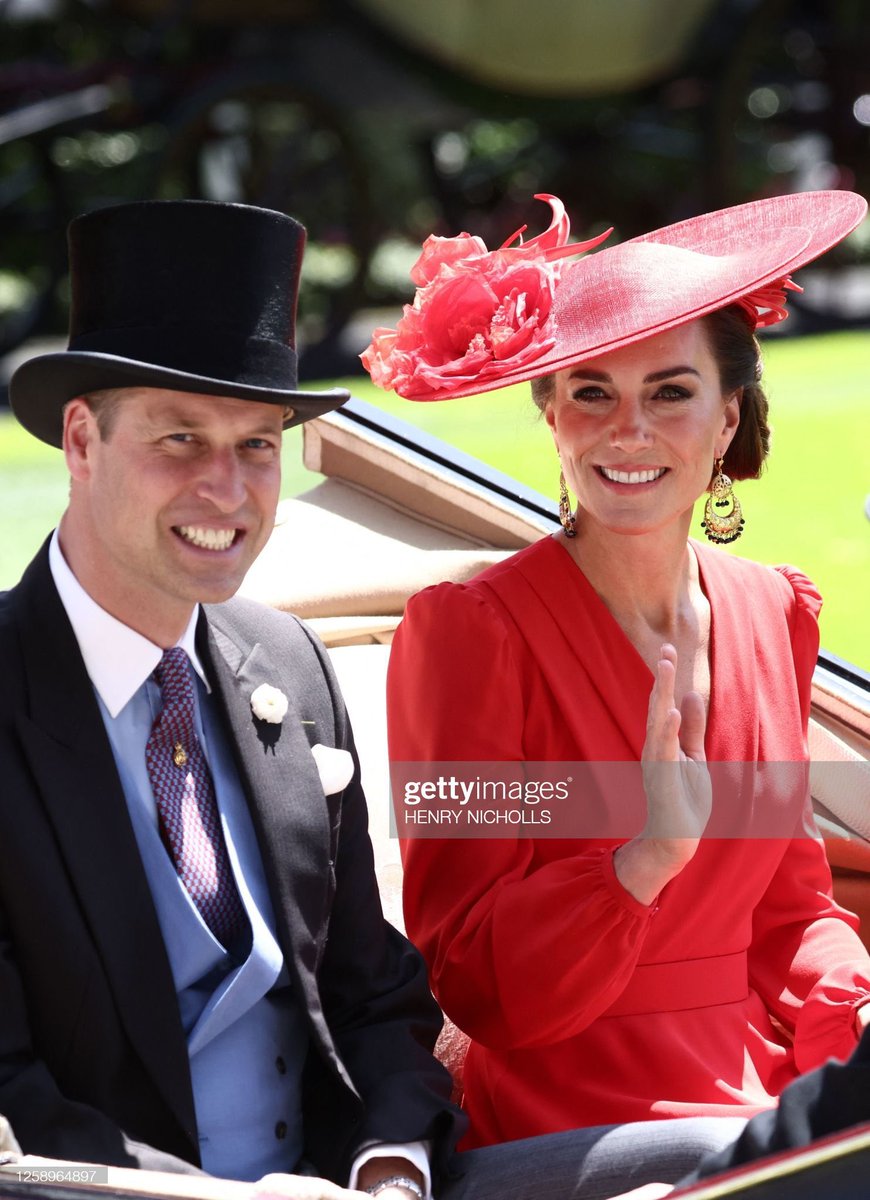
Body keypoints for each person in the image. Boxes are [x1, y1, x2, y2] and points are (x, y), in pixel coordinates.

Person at [0, 198, 747, 1200]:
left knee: (727, 1165)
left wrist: (389, 1164)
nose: (227, 490)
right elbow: (12, 1098)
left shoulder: (286, 665)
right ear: (81, 441)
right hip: (111, 1193)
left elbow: (375, 1002)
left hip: (358, 1182)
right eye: (181, 440)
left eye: (259, 445)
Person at [362, 191, 870, 1149]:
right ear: (552, 416)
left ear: (727, 422)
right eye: (591, 392)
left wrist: (856, 1009)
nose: (626, 430)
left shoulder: (775, 610)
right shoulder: (469, 636)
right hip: (562, 1109)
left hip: (750, 1086)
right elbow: (462, 970)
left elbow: (790, 912)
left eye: (670, 393)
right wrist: (639, 865)